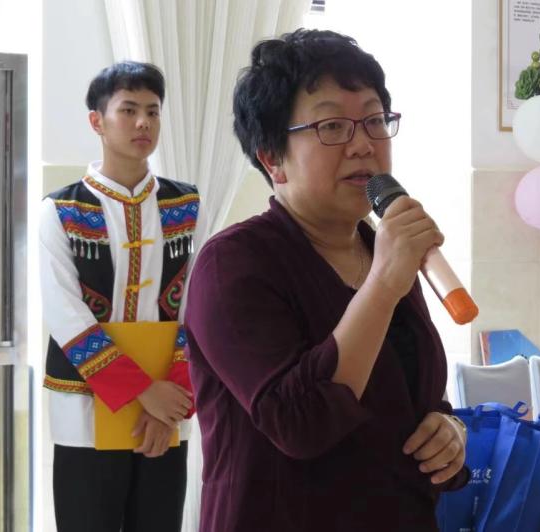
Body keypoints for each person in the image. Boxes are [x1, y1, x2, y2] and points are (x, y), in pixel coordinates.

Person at [184, 29, 468, 532]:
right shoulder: (231, 265)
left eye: (375, 120)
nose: (363, 145)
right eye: (332, 126)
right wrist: (384, 284)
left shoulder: (382, 250)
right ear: (272, 158)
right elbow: (300, 422)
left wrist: (449, 428)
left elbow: (409, 391)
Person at [39, 61, 198, 532]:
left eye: (153, 111)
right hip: (84, 408)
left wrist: (170, 402)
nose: (143, 122)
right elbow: (64, 312)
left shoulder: (187, 206)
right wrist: (143, 391)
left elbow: (200, 304)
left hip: (169, 402)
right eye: (128, 110)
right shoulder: (61, 210)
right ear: (97, 121)